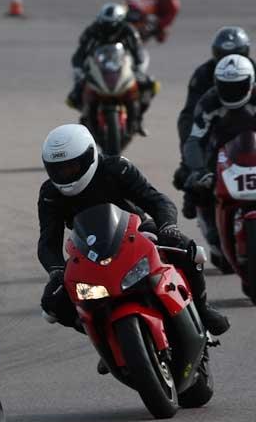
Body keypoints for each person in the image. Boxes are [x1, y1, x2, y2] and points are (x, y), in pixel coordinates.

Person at [37, 125, 230, 373]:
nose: (65, 173)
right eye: (58, 169)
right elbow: (47, 241)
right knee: (53, 302)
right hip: (90, 252)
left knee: (184, 248)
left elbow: (158, 200)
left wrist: (168, 226)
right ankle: (106, 338)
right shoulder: (50, 193)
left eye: (72, 166)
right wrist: (55, 270)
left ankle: (202, 309)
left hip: (138, 233)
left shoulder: (116, 168)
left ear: (88, 157)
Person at [182, 55, 256, 256]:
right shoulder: (209, 102)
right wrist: (198, 170)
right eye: (226, 86)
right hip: (220, 156)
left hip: (254, 151)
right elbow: (194, 140)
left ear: (250, 82)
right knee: (193, 187)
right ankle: (212, 230)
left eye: (238, 85)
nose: (231, 91)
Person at [174, 27, 251, 220]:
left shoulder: (252, 72)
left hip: (251, 140)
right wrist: (194, 167)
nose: (230, 62)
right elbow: (192, 124)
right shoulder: (205, 87)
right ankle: (201, 210)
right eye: (223, 55)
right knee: (192, 179)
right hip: (218, 138)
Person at [67, 3, 156, 136]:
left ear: (120, 21)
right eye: (104, 23)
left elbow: (139, 51)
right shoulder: (92, 30)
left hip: (123, 68)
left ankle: (138, 119)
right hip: (97, 67)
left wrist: (139, 68)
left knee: (150, 85)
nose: (107, 27)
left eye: (112, 24)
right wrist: (79, 70)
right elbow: (79, 53)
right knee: (74, 95)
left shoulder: (129, 30)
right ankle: (85, 119)